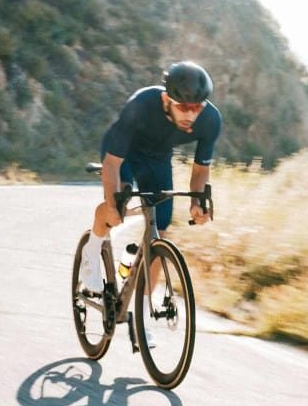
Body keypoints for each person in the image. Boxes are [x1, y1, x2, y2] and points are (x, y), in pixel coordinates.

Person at [79, 61, 222, 293]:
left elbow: (200, 170)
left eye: (197, 107)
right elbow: (112, 163)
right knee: (118, 208)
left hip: (157, 159)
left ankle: (141, 318)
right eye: (183, 107)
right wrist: (113, 202)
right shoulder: (141, 104)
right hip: (122, 153)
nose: (191, 114)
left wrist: (196, 203)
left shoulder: (210, 120)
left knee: (160, 234)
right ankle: (91, 253)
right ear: (166, 100)